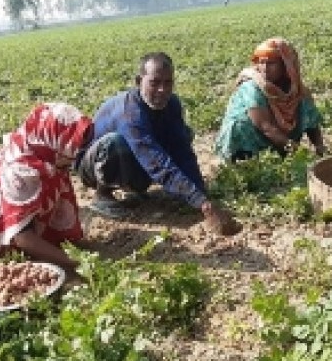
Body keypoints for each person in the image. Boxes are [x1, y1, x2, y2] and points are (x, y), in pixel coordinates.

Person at [75, 52, 239, 234]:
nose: (162, 89)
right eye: (154, 83)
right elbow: (154, 159)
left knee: (184, 134)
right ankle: (102, 195)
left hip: (137, 155)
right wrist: (200, 202)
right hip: (93, 165)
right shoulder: (129, 113)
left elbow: (182, 149)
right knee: (116, 143)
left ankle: (137, 185)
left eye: (168, 83)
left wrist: (200, 192)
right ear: (139, 81)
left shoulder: (172, 104)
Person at [0, 103, 93, 272]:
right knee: (16, 255)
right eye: (73, 146)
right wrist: (76, 264)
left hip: (22, 224)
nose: (76, 153)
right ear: (53, 140)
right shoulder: (19, 172)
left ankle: (47, 245)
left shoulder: (45, 155)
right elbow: (23, 238)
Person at [215, 37, 325, 162]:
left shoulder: (296, 89)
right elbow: (266, 128)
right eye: (261, 62)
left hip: (278, 141)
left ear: (286, 65)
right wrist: (301, 154)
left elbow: (312, 121)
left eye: (271, 63)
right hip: (246, 144)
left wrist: (319, 148)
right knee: (242, 124)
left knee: (303, 103)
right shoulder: (252, 87)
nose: (265, 68)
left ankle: (282, 154)